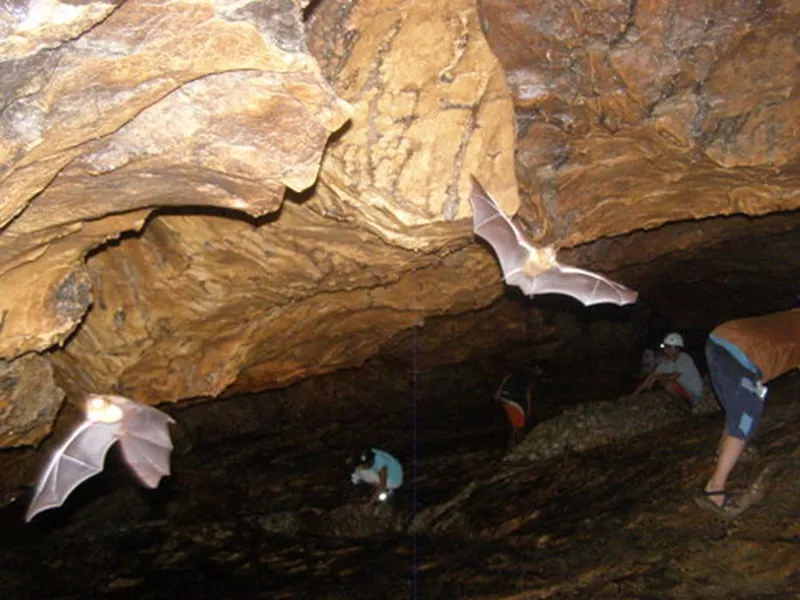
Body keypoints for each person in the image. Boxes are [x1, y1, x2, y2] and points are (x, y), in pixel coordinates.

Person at [695, 308, 800, 517]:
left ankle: (722, 454)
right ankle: (714, 491)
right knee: (745, 419)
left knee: (737, 411)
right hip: (741, 355)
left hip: (720, 340)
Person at [633, 332, 703, 409]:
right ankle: (678, 403)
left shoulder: (684, 358)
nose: (666, 350)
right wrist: (635, 394)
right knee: (662, 382)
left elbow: (673, 377)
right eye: (666, 347)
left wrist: (657, 377)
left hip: (694, 394)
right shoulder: (666, 363)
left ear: (677, 349)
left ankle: (684, 407)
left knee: (669, 384)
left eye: (669, 347)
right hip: (683, 390)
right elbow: (651, 376)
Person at [495, 363, 543, 448]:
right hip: (512, 399)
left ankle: (514, 443)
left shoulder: (518, 373)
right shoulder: (531, 378)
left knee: (514, 422)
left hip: (505, 396)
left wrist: (498, 393)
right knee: (519, 423)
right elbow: (528, 394)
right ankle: (515, 444)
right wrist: (529, 409)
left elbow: (506, 378)